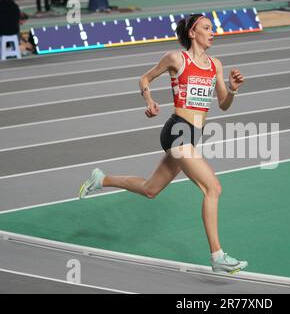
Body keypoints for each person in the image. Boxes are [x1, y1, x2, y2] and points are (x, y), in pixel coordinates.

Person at [79, 14, 248, 274]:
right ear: (192, 33)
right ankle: (217, 256)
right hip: (177, 131)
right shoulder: (176, 59)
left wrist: (234, 89)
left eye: (212, 29)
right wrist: (149, 101)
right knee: (212, 187)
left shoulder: (216, 65)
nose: (212, 32)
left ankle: (101, 179)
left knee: (150, 189)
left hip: (194, 135)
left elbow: (224, 104)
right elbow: (144, 79)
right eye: (206, 28)